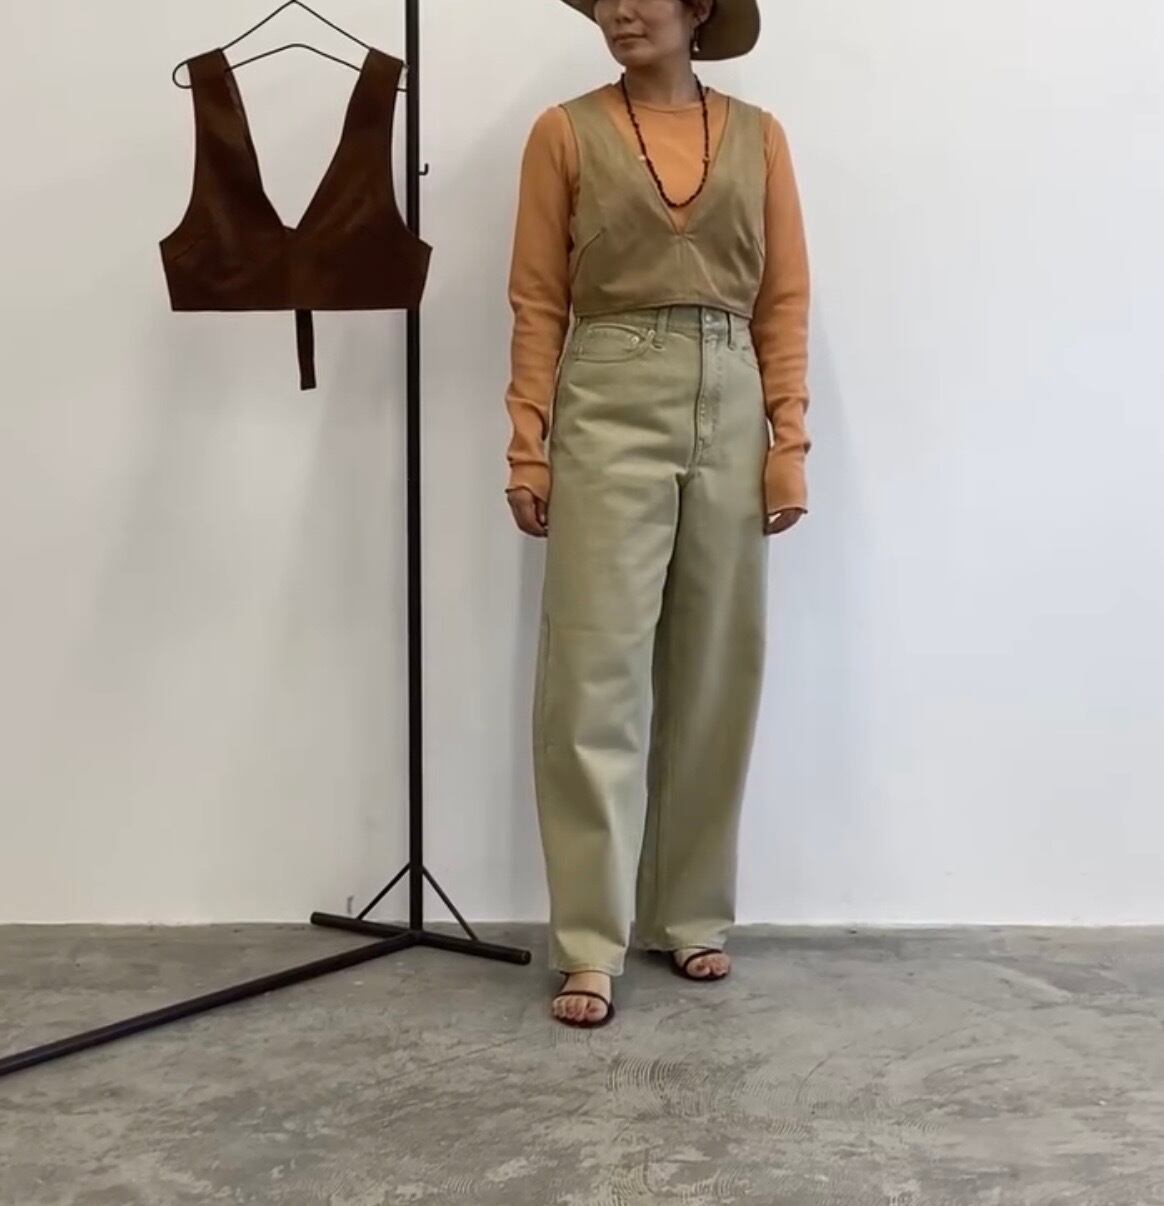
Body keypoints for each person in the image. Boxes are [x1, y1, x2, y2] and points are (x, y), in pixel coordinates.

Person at [503, 0, 811, 1027]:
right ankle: (590, 941)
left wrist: (787, 445)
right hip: (608, 389)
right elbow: (538, 300)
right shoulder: (564, 133)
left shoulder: (760, 138)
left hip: (730, 391)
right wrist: (528, 444)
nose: (622, 11)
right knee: (592, 673)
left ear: (697, 9)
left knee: (717, 669)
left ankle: (690, 914)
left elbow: (783, 301)